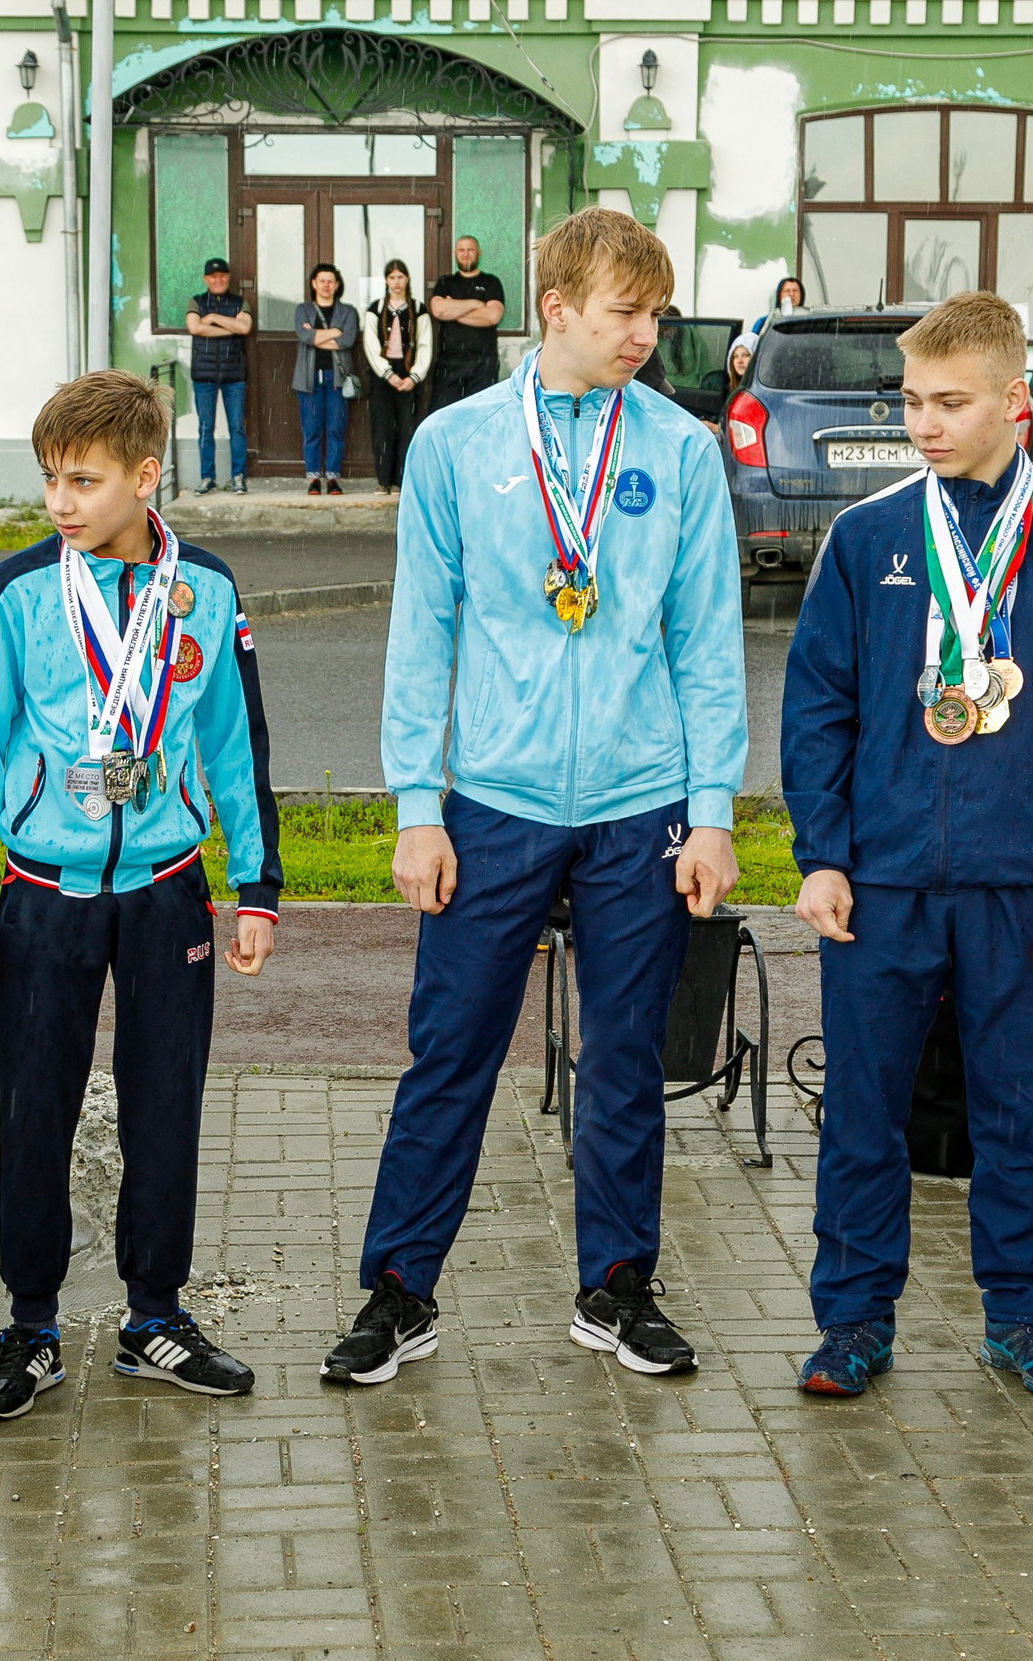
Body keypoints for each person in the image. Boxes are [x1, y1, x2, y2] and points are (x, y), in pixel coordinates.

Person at [330, 206, 745, 1387]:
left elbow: (707, 641)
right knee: (449, 1050)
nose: (646, 335)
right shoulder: (457, 445)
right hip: (494, 803)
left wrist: (711, 806)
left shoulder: (676, 449)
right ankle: (399, 1292)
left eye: (656, 314)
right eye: (626, 312)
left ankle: (618, 1288)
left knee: (626, 1057)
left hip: (641, 799)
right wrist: (418, 802)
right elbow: (423, 638)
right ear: (556, 308)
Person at [782, 291, 1033, 1403]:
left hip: (1021, 888)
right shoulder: (868, 536)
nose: (924, 424)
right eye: (911, 403)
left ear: (1013, 401)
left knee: (1020, 1116)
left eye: (949, 402)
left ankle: (1025, 1318)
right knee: (861, 1116)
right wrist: (822, 854)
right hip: (881, 882)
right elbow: (819, 706)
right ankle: (851, 1321)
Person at [0, 370, 282, 1415]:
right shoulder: (19, 592)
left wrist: (255, 885)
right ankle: (30, 1326)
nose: (59, 502)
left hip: (168, 892)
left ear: (145, 477)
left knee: (165, 1107)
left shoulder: (206, 592)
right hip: (43, 893)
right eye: (48, 479)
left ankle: (153, 1317)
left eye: (81, 481)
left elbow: (235, 743)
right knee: (33, 1111)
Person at [362, 259, 433, 495]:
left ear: (407, 279)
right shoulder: (375, 308)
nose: (396, 282)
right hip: (383, 376)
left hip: (409, 373)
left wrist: (415, 375)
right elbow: (371, 346)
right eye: (392, 277)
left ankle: (402, 481)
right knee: (382, 428)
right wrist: (386, 373)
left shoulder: (418, 308)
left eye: (400, 277)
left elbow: (425, 344)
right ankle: (383, 480)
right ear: (386, 280)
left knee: (407, 428)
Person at [185, 258, 252, 496]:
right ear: (206, 279)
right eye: (213, 276)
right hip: (204, 375)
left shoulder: (239, 301)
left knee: (237, 428)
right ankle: (208, 477)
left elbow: (244, 328)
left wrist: (212, 318)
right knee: (205, 428)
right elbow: (195, 328)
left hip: (234, 373)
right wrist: (230, 327)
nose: (218, 279)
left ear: (229, 277)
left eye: (223, 275)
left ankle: (238, 476)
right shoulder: (196, 301)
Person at [295, 263, 360, 496]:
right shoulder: (302, 310)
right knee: (311, 430)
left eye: (331, 281)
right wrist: (334, 333)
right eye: (321, 281)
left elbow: (348, 340)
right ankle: (313, 477)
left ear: (337, 285)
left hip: (338, 378)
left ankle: (332, 478)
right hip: (308, 378)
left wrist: (315, 335)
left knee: (335, 429)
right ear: (314, 283)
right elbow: (304, 336)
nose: (326, 285)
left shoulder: (348, 312)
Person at [426, 234, 507, 413]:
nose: (466, 254)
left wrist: (453, 311)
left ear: (478, 253)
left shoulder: (491, 282)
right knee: (444, 417)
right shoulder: (445, 282)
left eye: (470, 250)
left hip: (483, 363)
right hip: (449, 364)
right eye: (461, 250)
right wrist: (475, 304)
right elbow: (439, 310)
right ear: (455, 253)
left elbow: (492, 316)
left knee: (482, 417)